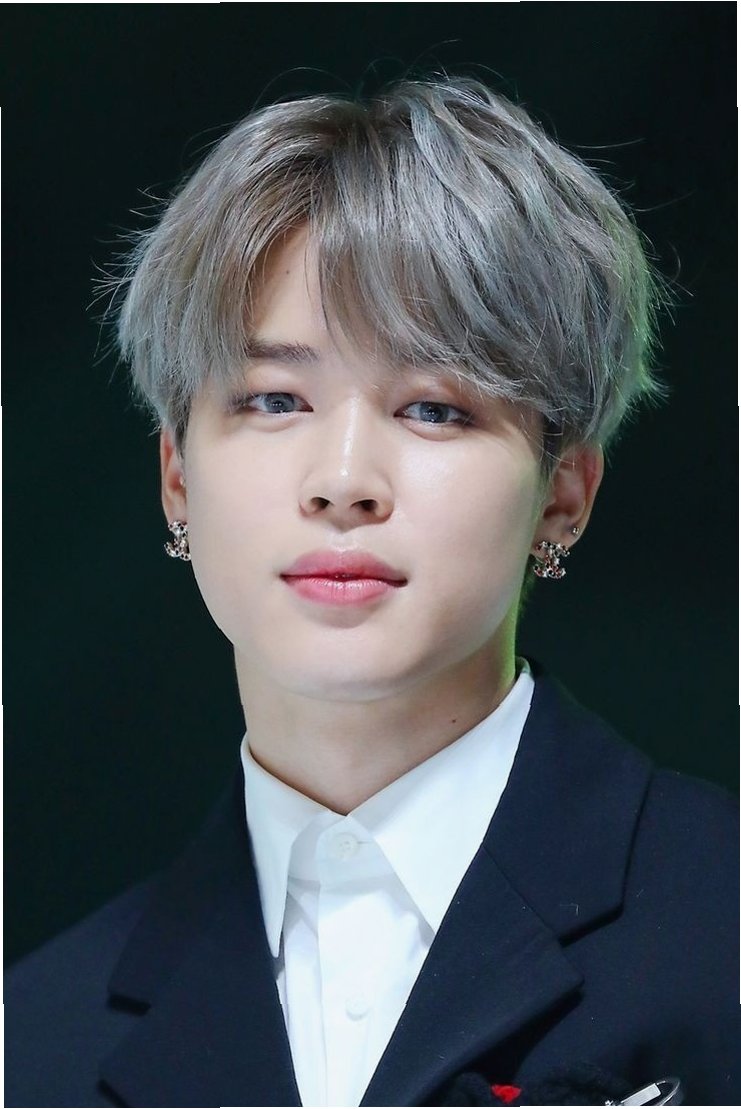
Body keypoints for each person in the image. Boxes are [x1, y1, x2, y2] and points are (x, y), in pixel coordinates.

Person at [4, 74, 738, 1109]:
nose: (343, 478)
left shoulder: (722, 918)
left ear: (564, 490)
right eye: (273, 399)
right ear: (176, 477)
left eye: (433, 407)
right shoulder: (34, 1040)